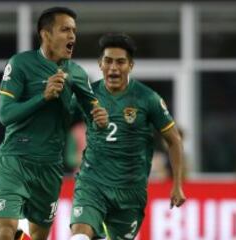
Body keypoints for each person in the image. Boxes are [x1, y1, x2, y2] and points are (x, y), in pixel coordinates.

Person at [0, 7, 108, 240]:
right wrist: (42, 97)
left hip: (50, 166)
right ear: (45, 34)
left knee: (39, 236)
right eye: (65, 30)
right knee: (4, 231)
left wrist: (100, 119)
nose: (72, 36)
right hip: (15, 160)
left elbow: (91, 112)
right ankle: (17, 225)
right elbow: (5, 115)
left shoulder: (75, 72)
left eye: (74, 30)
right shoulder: (21, 64)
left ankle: (23, 225)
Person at [69, 33, 186, 240]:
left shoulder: (147, 98)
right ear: (100, 64)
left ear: (130, 66)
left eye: (120, 62)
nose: (113, 67)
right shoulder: (87, 95)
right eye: (108, 61)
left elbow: (174, 140)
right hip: (92, 183)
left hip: (130, 192)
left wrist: (176, 184)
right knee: (79, 236)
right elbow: (57, 122)